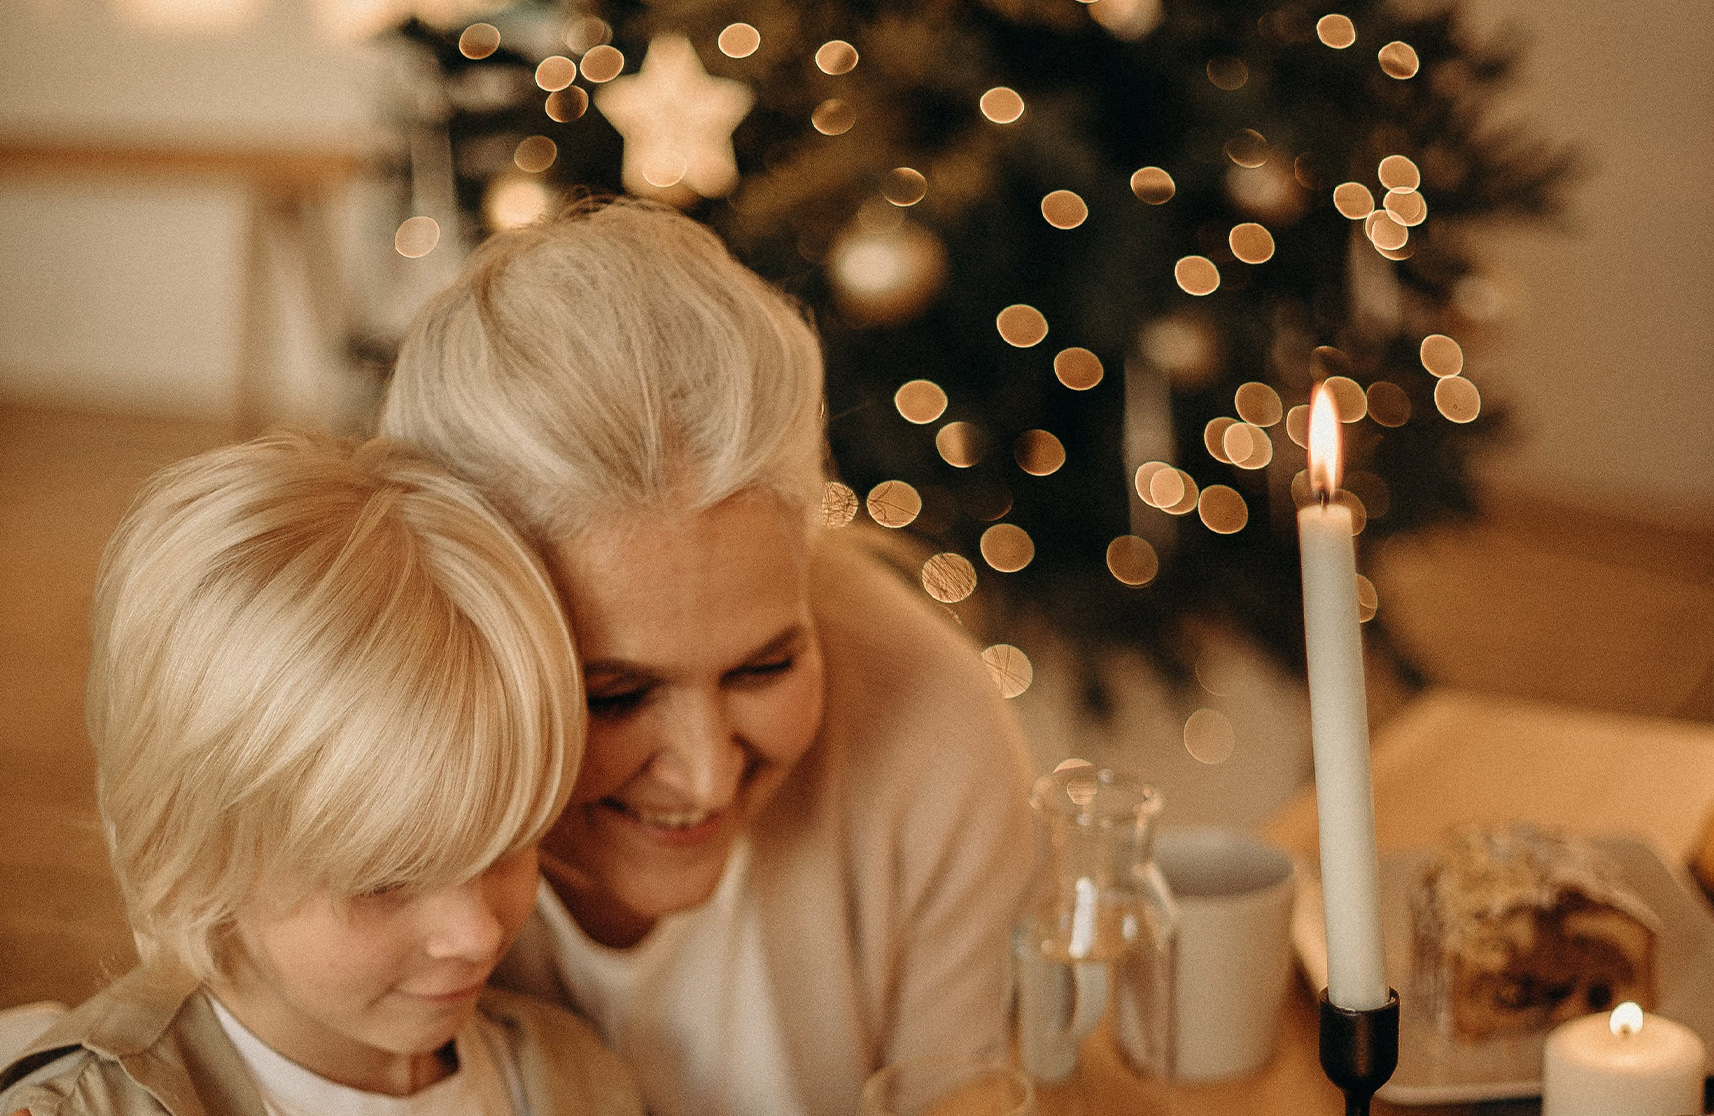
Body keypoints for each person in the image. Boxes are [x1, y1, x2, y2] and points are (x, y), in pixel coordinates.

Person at [378, 198, 1037, 1116]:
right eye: (614, 695)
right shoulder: (328, 797)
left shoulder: (934, 726)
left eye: (765, 667)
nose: (705, 778)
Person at [0, 433, 643, 1116]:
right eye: (386, 880)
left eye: (508, 845)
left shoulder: (575, 1081)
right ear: (197, 853)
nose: (477, 934)